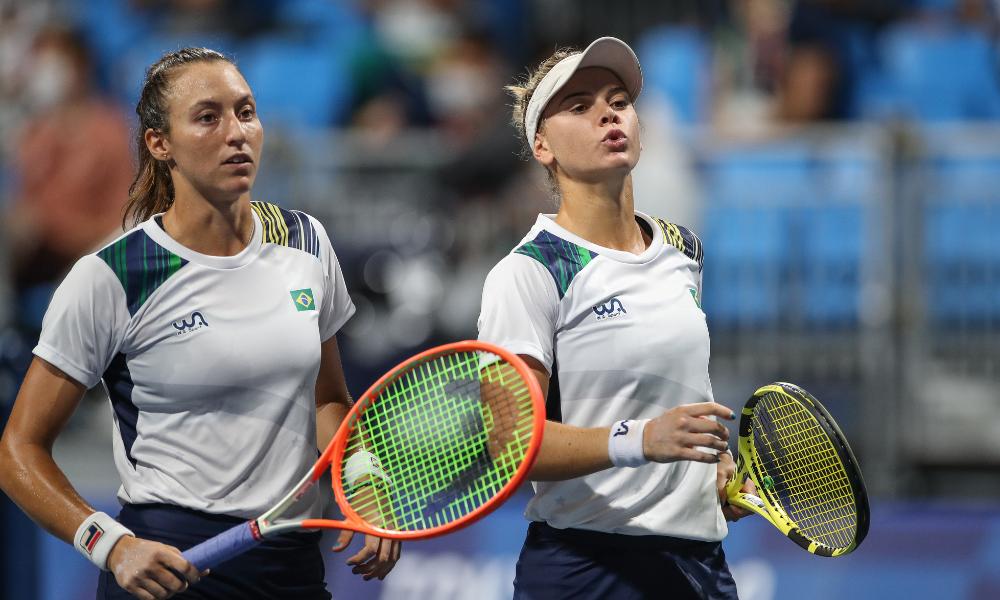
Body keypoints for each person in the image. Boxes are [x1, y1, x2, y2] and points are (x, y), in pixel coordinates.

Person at [0, 47, 400, 600]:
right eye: (208, 117)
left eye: (246, 111)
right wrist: (111, 545)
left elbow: (328, 398)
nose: (237, 133)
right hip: (164, 563)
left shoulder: (306, 240)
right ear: (159, 143)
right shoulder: (113, 276)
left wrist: (363, 480)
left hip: (291, 565)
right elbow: (18, 450)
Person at [477, 37, 756, 600]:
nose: (608, 113)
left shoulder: (682, 249)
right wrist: (643, 440)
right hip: (587, 567)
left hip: (699, 565)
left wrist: (711, 474)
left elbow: (673, 394)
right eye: (579, 106)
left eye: (619, 99)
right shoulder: (530, 272)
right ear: (542, 145)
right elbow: (509, 444)